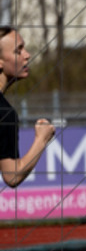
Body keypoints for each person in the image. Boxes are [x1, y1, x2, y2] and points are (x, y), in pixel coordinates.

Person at [0, 27, 56, 188]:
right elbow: (12, 176)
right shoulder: (4, 113)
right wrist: (41, 139)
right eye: (18, 51)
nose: (27, 55)